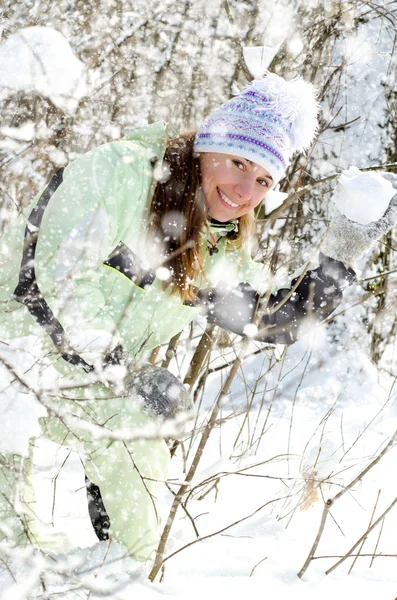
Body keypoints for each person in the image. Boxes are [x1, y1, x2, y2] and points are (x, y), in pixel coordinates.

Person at [1, 71, 396, 561]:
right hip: (13, 358)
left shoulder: (212, 243)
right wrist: (122, 372)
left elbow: (275, 317)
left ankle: (124, 572)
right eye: (237, 162)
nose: (245, 190)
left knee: (129, 455)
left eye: (264, 180)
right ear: (206, 146)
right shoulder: (117, 175)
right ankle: (123, 572)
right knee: (13, 552)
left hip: (72, 373)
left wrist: (343, 252)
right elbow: (50, 277)